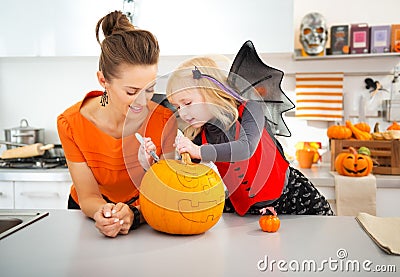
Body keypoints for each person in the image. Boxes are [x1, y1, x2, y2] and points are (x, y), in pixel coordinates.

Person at [57, 11, 177, 237]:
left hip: (146, 214)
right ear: (103, 80)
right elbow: (88, 195)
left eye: (149, 89)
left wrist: (134, 213)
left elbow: (163, 189)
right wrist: (105, 213)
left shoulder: (163, 121)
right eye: (131, 92)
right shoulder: (72, 123)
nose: (142, 101)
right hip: (89, 216)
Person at [166, 56, 334, 216]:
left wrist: (199, 151)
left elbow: (246, 148)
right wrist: (160, 159)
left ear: (212, 92)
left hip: (289, 195)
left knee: (321, 233)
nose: (183, 112)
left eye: (187, 103)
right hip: (245, 207)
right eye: (177, 107)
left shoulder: (250, 109)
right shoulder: (200, 135)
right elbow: (186, 174)